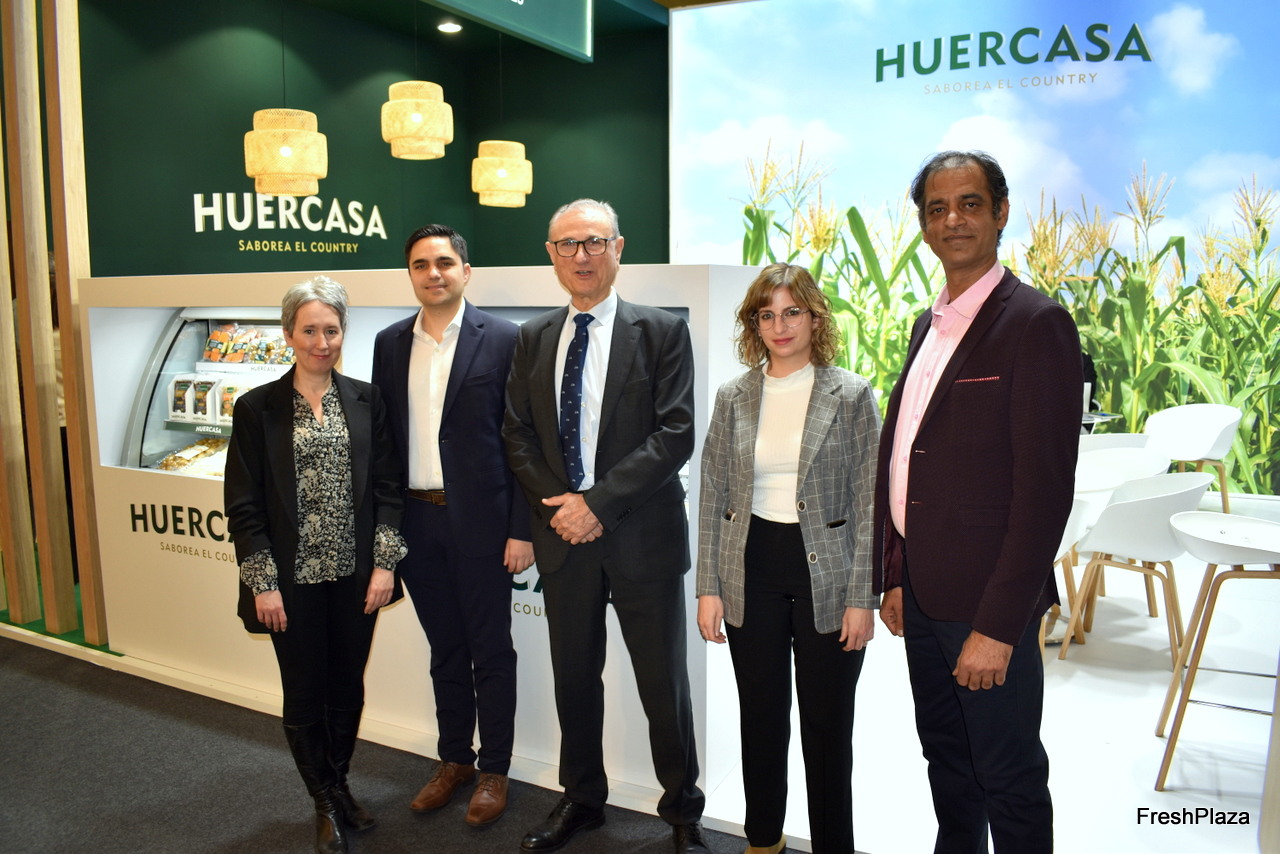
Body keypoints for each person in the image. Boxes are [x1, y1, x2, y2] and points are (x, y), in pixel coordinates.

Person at [874, 151, 1081, 853]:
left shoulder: (1035, 323)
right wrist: (896, 574)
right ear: (923, 225)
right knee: (948, 764)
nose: (952, 220)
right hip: (923, 594)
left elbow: (1043, 496)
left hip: (985, 604)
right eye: (937, 209)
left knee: (1008, 776)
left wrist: (997, 626)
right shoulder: (927, 325)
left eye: (969, 204)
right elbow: (911, 460)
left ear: (1000, 213)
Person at [503, 199, 709, 854]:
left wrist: (596, 504)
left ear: (618, 248)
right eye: (567, 244)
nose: (581, 256)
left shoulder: (661, 331)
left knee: (663, 686)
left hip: (642, 538)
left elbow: (675, 433)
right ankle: (582, 799)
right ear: (551, 255)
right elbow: (516, 434)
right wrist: (562, 508)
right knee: (573, 679)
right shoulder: (533, 337)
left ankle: (682, 813)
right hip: (564, 541)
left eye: (594, 242)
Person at [696, 263, 880, 854]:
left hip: (828, 574)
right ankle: (762, 840)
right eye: (767, 315)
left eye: (792, 312)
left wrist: (863, 598)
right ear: (754, 324)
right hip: (751, 569)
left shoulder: (850, 393)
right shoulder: (733, 396)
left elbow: (869, 501)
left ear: (815, 318)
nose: (780, 326)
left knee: (828, 728)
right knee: (761, 718)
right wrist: (708, 586)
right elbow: (713, 494)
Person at [225, 276, 407, 854]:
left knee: (347, 687)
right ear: (288, 334)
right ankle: (324, 801)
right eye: (309, 330)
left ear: (343, 332)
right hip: (291, 582)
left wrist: (385, 566)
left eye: (331, 330)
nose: (321, 342)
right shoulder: (256, 408)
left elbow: (389, 488)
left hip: (356, 577)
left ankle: (340, 783)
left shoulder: (367, 400)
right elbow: (244, 505)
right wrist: (263, 583)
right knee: (305, 691)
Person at [371, 224, 533, 827]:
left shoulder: (507, 339)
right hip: (416, 523)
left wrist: (522, 527)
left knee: (491, 650)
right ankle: (454, 760)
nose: (432, 273)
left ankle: (495, 770)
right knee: (445, 650)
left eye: (443, 262)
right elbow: (385, 444)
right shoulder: (390, 343)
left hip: (484, 524)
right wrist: (387, 533)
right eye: (420, 264)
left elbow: (524, 440)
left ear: (466, 271)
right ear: (410, 275)